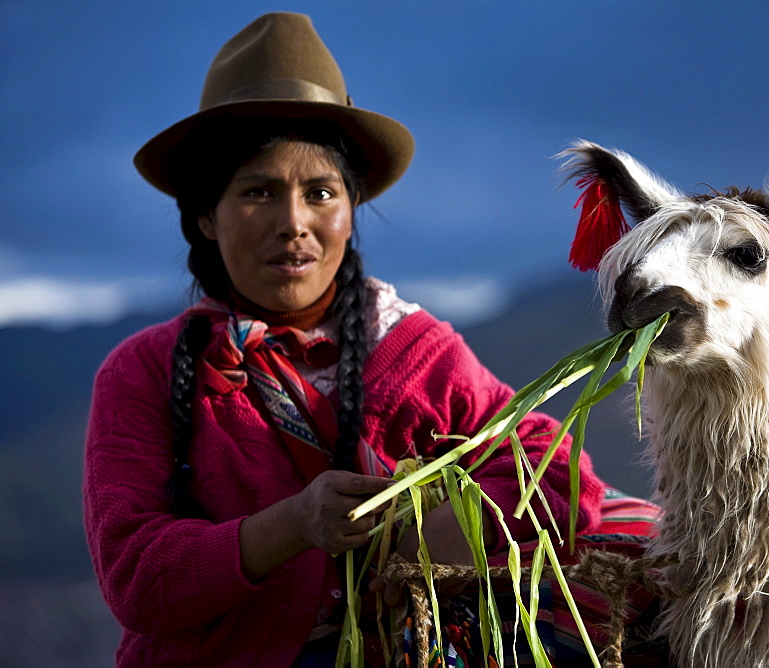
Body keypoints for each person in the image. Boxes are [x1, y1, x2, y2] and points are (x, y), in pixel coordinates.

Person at [85, 12, 659, 667]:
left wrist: (433, 536)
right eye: (257, 192)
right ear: (204, 218)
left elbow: (558, 475)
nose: (293, 222)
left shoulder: (415, 355)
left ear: (350, 211)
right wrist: (293, 525)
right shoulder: (145, 373)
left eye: (320, 192)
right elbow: (138, 579)